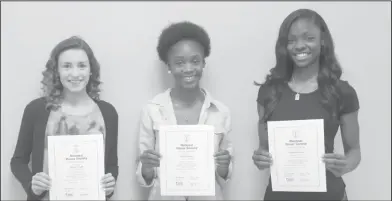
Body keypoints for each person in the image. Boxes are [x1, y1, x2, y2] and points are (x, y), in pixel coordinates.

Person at [252, 9, 361, 200]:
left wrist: (346, 165)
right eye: (291, 40)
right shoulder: (269, 92)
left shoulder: (342, 92)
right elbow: (264, 149)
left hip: (330, 195)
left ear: (322, 41)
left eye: (308, 37)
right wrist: (260, 158)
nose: (299, 45)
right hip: (279, 195)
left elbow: (354, 152)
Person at [10, 36, 119, 200]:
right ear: (57, 71)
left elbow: (111, 164)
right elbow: (18, 162)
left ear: (91, 70)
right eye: (67, 66)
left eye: (81, 66)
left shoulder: (108, 113)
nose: (75, 73)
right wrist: (31, 184)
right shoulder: (37, 110)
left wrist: (110, 184)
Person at [136, 21, 233, 200]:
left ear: (203, 63)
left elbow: (224, 176)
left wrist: (224, 166)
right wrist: (147, 167)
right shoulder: (152, 110)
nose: (188, 69)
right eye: (179, 62)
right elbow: (144, 178)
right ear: (168, 66)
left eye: (195, 61)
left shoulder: (221, 112)